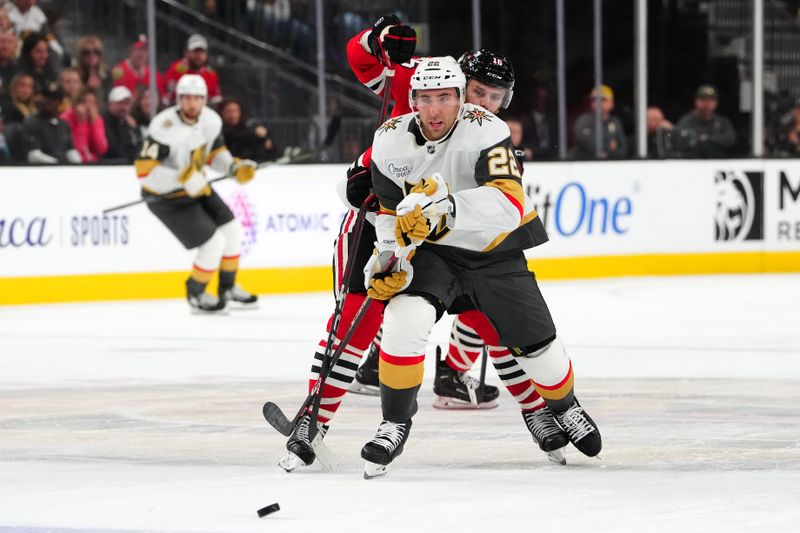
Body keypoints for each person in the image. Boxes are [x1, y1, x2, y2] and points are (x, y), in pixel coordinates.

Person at [279, 18, 573, 473]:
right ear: (453, 82)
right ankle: (313, 417)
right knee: (359, 319)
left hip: (453, 238)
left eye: (496, 98)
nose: (485, 105)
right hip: (387, 223)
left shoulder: (484, 131)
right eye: (478, 92)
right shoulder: (422, 80)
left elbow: (498, 198)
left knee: (493, 322)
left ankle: (536, 410)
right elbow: (359, 58)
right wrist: (379, 37)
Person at [358, 56, 601, 478]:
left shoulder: (488, 129)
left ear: (458, 98)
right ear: (412, 100)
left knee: (537, 344)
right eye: (426, 99)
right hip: (433, 254)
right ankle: (394, 422)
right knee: (404, 320)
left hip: (494, 250)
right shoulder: (389, 140)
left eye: (445, 98)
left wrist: (446, 207)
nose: (435, 110)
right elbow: (389, 211)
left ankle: (564, 406)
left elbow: (508, 205)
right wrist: (387, 257)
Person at [133, 74, 259, 313]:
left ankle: (227, 288)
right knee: (213, 243)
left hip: (196, 187)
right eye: (187, 98)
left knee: (232, 231)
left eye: (197, 98)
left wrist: (233, 167)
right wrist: (180, 179)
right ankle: (197, 293)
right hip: (165, 197)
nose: (192, 103)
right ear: (178, 99)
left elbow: (214, 154)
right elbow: (144, 171)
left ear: (205, 100)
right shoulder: (163, 126)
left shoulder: (211, 121)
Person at [19, 81, 80, 164]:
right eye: (47, 97)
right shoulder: (32, 122)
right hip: (40, 171)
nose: (49, 101)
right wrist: (58, 165)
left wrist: (80, 166)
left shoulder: (64, 125)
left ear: (60, 101)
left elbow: (71, 151)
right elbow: (33, 155)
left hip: (62, 170)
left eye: (54, 98)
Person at [674, 84, 736, 158]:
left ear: (716, 103)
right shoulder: (686, 121)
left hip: (718, 163)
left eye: (710, 100)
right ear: (696, 101)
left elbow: (730, 139)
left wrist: (708, 138)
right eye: (703, 99)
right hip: (693, 163)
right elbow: (680, 141)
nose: (706, 104)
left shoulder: (722, 122)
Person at [572, 84, 627, 159]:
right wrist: (610, 147)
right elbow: (592, 147)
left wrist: (608, 152)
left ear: (612, 103)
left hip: (611, 167)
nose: (598, 103)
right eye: (595, 100)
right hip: (586, 166)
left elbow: (623, 149)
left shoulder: (615, 121)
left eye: (603, 100)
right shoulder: (584, 120)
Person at [164, 34, 221, 105]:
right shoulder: (176, 69)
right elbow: (166, 98)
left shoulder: (211, 74)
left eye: (201, 52)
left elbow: (216, 100)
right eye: (195, 51)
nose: (198, 55)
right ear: (186, 53)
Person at [60, 87, 107, 163]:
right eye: (85, 102)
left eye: (92, 103)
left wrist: (94, 124)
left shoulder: (97, 120)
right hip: (71, 162)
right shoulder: (66, 118)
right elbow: (74, 148)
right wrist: (80, 122)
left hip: (93, 163)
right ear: (77, 104)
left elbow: (101, 149)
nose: (88, 106)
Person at [111, 35, 165, 101]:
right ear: (130, 50)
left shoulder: (154, 74)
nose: (142, 54)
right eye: (139, 49)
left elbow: (161, 97)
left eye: (145, 50)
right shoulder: (119, 70)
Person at [103, 85, 142, 163]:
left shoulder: (129, 121)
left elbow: (139, 147)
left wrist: (134, 129)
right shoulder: (104, 121)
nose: (124, 107)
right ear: (110, 104)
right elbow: (113, 149)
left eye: (127, 103)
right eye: (120, 103)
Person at [0, 31, 18, 97]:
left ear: (15, 47)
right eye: (2, 42)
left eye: (10, 42)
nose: (5, 46)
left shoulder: (20, 69)